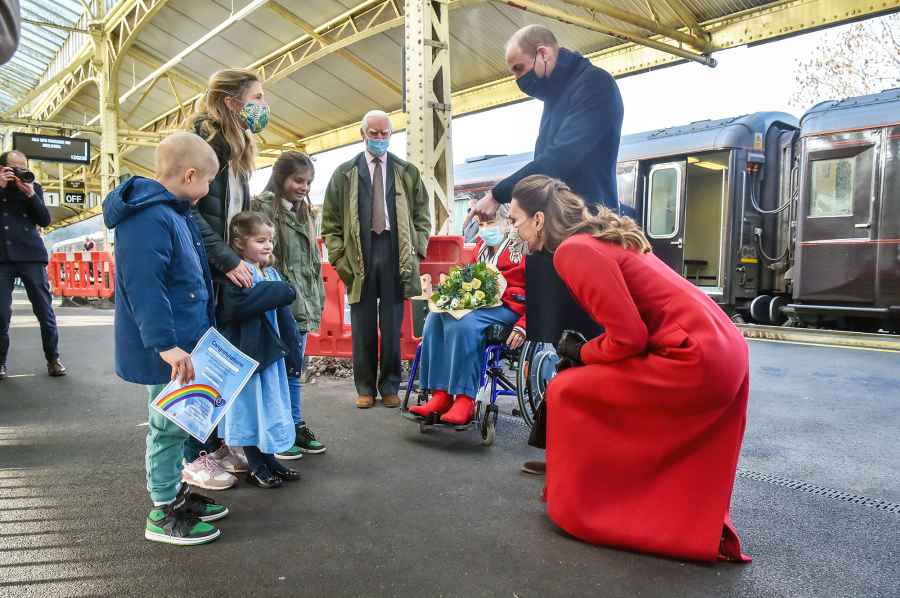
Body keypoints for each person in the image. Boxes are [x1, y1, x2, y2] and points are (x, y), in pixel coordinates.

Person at [508, 174, 751, 563]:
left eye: (515, 220)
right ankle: (585, 475)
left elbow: (628, 339)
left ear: (538, 220)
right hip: (719, 349)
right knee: (585, 384)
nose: (513, 231)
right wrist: (589, 353)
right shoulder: (597, 238)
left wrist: (583, 352)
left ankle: (582, 499)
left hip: (693, 357)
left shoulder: (573, 252)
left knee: (567, 389)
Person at [468, 25, 624, 475]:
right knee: (564, 344)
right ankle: (565, 452)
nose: (519, 79)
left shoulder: (595, 87)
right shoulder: (559, 95)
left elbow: (559, 160)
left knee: (587, 344)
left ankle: (590, 457)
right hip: (560, 233)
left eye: (520, 68)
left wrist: (499, 194)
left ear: (544, 54)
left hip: (586, 229)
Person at [103, 132, 228, 546]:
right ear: (190, 175)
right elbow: (145, 286)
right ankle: (163, 509)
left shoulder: (172, 213)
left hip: (184, 341)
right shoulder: (149, 217)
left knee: (180, 420)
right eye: (208, 180)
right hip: (170, 348)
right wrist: (166, 345)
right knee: (168, 424)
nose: (208, 188)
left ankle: (175, 492)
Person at [181, 68, 270, 488]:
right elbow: (190, 210)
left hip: (224, 268)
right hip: (206, 270)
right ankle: (194, 454)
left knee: (221, 360)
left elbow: (235, 214)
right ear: (232, 102)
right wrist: (227, 259)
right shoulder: (203, 144)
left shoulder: (237, 150)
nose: (263, 105)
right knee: (201, 362)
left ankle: (216, 445)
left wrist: (249, 252)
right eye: (257, 97)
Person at [321, 109, 431, 410]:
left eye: (384, 133)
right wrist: (340, 258)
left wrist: (417, 251)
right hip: (360, 256)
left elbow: (423, 216)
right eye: (374, 133)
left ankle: (390, 385)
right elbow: (330, 223)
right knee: (362, 326)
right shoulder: (344, 173)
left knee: (393, 327)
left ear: (391, 135)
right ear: (363, 134)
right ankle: (365, 387)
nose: (379, 138)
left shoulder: (407, 172)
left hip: (396, 253)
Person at [408, 207, 527, 424]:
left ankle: (465, 399)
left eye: (490, 223)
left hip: (509, 307)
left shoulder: (522, 247)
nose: (485, 229)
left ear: (507, 222)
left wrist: (524, 325)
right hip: (480, 305)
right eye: (481, 225)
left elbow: (538, 293)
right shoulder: (480, 247)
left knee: (463, 323)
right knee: (435, 317)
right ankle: (440, 395)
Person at [216, 211, 302, 489]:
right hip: (251, 355)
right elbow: (240, 306)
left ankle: (270, 460)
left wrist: (292, 350)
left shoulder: (270, 272)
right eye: (260, 240)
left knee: (268, 407)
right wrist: (284, 290)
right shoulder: (240, 273)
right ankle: (255, 464)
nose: (268, 246)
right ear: (240, 243)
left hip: (271, 354)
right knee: (251, 409)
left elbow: (284, 314)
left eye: (270, 240)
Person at [252, 151, 327, 459]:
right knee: (278, 372)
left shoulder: (304, 212)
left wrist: (315, 299)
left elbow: (310, 264)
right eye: (298, 180)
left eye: (308, 182)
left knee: (295, 369)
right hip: (279, 303)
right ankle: (281, 431)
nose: (304, 187)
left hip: (301, 303)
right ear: (281, 177)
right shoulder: (263, 208)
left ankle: (294, 425)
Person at [0, 150, 66, 380]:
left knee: (45, 311)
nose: (20, 172)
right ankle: (0, 362)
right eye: (15, 168)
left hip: (31, 255)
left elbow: (44, 220)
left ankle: (53, 359)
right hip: (2, 259)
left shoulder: (32, 187)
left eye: (24, 167)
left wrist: (30, 195)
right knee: (1, 314)